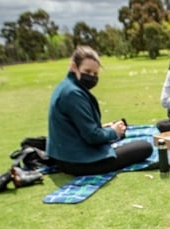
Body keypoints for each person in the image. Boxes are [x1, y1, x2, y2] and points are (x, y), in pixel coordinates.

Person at [47, 46, 153, 176]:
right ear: (74, 67)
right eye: (87, 71)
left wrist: (104, 128)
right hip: (78, 162)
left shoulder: (66, 86)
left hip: (63, 156)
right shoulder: (73, 94)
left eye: (95, 74)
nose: (91, 77)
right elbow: (92, 137)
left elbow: (75, 125)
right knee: (144, 147)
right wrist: (114, 132)